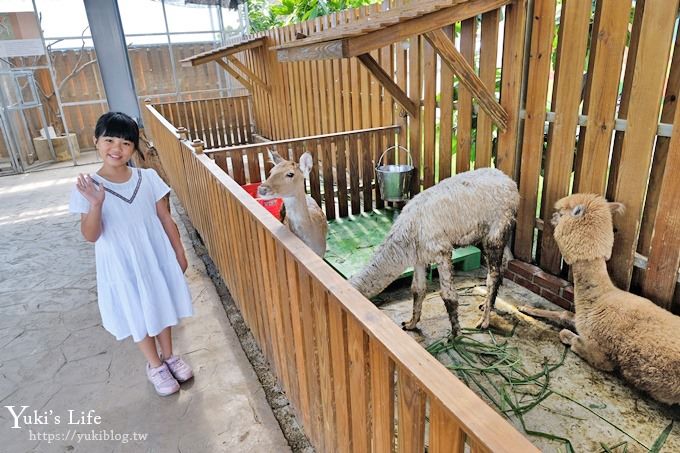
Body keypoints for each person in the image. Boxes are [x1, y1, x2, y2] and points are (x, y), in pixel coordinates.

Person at [69, 112, 193, 396]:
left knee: (161, 303)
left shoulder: (147, 178)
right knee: (137, 309)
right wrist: (96, 204)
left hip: (154, 256)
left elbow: (165, 218)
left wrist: (179, 252)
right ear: (96, 142)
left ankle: (170, 356)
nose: (116, 148)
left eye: (125, 143)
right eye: (109, 140)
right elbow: (90, 236)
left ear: (134, 147)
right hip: (122, 264)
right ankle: (155, 366)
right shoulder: (87, 188)